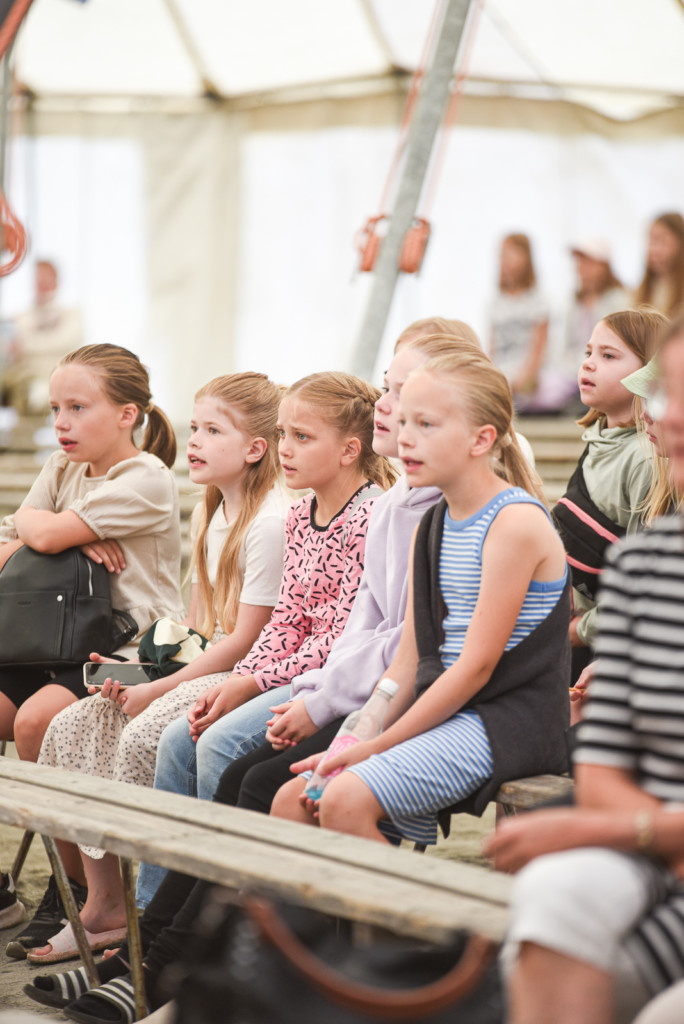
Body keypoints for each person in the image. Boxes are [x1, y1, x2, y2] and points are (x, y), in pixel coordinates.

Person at [26, 370, 395, 964]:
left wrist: (231, 683)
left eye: (299, 437)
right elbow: (252, 625)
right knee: (82, 723)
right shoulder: (279, 513)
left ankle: (168, 924)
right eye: (285, 435)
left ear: (350, 450)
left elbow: (318, 638)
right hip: (260, 667)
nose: (286, 449)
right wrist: (152, 665)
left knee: (177, 738)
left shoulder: (315, 519)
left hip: (305, 678)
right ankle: (114, 907)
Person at [271, 347, 570, 849]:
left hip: (505, 721)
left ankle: (409, 905)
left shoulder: (514, 523)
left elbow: (475, 667)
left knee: (344, 800)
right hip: (443, 709)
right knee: (292, 802)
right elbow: (407, 661)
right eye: (405, 421)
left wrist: (379, 745)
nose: (406, 437)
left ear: (482, 439)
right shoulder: (434, 523)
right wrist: (357, 736)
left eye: (426, 424)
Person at [486, 310, 684, 1024]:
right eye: (670, 394)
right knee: (553, 901)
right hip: (651, 836)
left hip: (647, 836)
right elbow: (602, 768)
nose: (668, 415)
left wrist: (624, 833)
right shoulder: (648, 562)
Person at [0, 343, 184, 957]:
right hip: (48, 642)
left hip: (126, 652)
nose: (62, 422)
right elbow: (14, 543)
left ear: (127, 414)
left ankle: (75, 890)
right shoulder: (63, 467)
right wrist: (64, 543)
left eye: (78, 407)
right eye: (57, 408)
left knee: (35, 723)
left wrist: (52, 537)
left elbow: (40, 530)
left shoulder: (147, 478)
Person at [552, 309, 663, 682]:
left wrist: (580, 631)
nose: (589, 363)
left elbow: (642, 582)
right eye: (588, 352)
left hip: (600, 651)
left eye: (609, 355)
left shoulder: (645, 459)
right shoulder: (598, 440)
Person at [1, 260, 83, 414]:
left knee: (37, 399)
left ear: (56, 280)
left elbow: (64, 341)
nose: (41, 283)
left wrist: (26, 345)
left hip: (48, 376)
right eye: (38, 278)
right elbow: (11, 344)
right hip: (18, 375)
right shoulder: (23, 316)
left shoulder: (70, 314)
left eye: (45, 278)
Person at [563, 238, 632, 408]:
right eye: (579, 262)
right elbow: (565, 345)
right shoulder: (574, 304)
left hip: (604, 369)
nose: (581, 267)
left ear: (603, 266)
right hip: (572, 371)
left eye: (588, 262)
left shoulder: (620, 301)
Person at [488, 233, 551, 412]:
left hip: (526, 379)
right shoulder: (496, 302)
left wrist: (521, 381)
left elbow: (539, 349)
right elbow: (492, 347)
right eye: (502, 255)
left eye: (511, 254)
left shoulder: (538, 301)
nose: (505, 261)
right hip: (501, 375)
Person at [635, 212, 684, 316]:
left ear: (679, 244)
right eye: (651, 241)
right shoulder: (643, 291)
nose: (652, 249)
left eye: (661, 241)